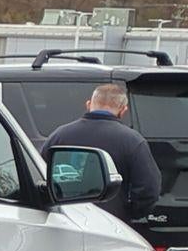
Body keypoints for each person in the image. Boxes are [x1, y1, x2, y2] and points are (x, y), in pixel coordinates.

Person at [44, 82, 162, 220]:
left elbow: (38, 175)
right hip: (111, 223)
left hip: (65, 219)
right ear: (123, 110)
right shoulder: (133, 141)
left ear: (88, 105)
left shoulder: (59, 135)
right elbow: (148, 190)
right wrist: (127, 213)